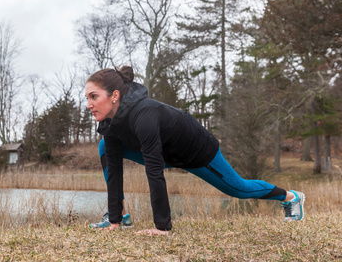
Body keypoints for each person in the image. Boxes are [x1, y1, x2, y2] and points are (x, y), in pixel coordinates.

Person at [86, 66, 305, 236]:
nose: (88, 104)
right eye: (87, 98)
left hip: (197, 152)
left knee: (239, 189)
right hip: (166, 152)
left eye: (93, 97)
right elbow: (113, 170)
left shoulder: (145, 114)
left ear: (114, 95)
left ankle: (291, 197)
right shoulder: (109, 124)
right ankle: (121, 217)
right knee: (106, 147)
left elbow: (154, 170)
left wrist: (162, 228)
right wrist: (114, 221)